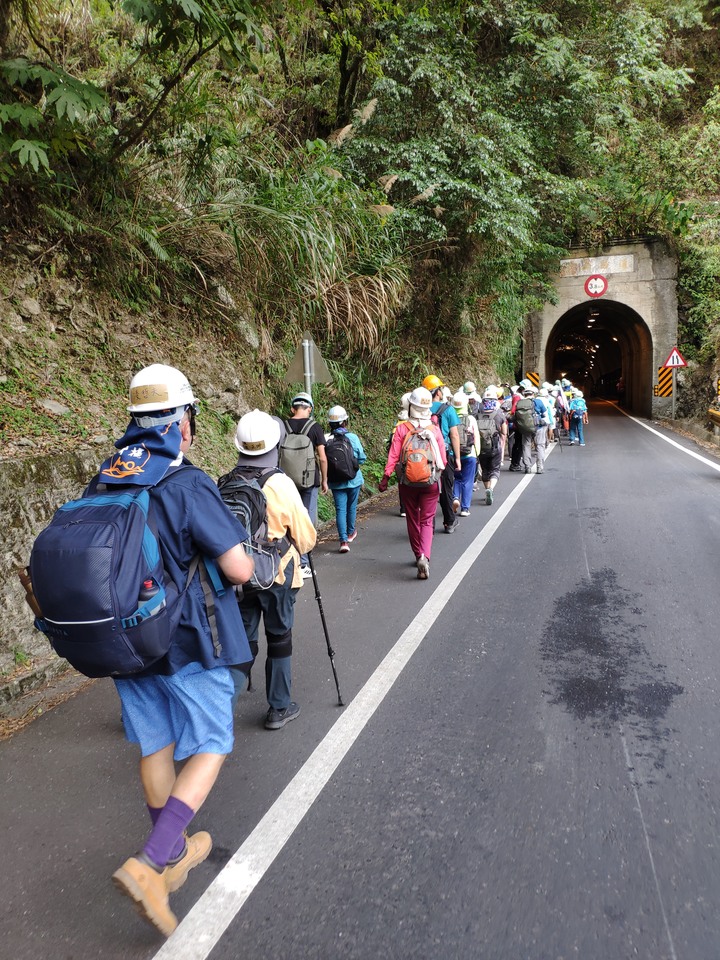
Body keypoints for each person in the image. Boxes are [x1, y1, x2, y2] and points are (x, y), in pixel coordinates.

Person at [103, 364, 255, 938]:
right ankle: (150, 862)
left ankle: (168, 859)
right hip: (188, 636)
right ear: (184, 422)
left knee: (156, 741)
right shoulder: (188, 483)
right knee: (214, 742)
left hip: (123, 639)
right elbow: (237, 567)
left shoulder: (108, 479)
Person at [222, 410, 317, 730]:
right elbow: (306, 540)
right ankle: (278, 707)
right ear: (275, 444)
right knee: (279, 639)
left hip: (237, 576)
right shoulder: (280, 484)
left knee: (241, 641)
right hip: (277, 577)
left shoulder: (226, 482)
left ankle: (221, 709)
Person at [378, 386, 447, 580]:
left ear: (410, 406)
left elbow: (393, 456)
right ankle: (425, 555)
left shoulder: (402, 429)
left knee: (412, 519)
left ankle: (418, 555)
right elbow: (443, 458)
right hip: (430, 482)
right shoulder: (434, 429)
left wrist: (385, 478)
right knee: (426, 520)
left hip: (407, 483)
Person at [282, 391, 328, 578]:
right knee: (307, 520)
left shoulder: (283, 426)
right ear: (309, 408)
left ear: (293, 408)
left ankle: (287, 562)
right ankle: (303, 563)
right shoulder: (314, 427)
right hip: (309, 480)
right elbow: (323, 458)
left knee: (288, 520)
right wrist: (325, 479)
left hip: (285, 481)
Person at [422, 374, 462, 533]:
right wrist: (458, 458)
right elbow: (454, 435)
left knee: (428, 489)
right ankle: (449, 522)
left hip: (425, 454)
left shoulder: (420, 408)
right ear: (438, 391)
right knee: (446, 488)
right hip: (444, 453)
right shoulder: (448, 409)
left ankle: (428, 525)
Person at [326, 404, 367, 552]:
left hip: (335, 481)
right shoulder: (352, 437)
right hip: (353, 479)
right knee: (351, 507)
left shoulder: (327, 439)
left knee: (340, 509)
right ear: (345, 422)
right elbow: (361, 458)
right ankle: (351, 532)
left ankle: (343, 541)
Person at [476, 386, 507, 505]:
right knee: (494, 469)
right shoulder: (499, 413)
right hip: (495, 446)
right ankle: (491, 489)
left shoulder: (477, 413)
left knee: (485, 470)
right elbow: (504, 432)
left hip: (481, 447)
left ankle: (487, 489)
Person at [451, 390, 478, 516]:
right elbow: (476, 437)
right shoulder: (471, 419)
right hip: (469, 454)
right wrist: (477, 453)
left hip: (454, 454)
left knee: (457, 478)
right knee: (468, 481)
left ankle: (455, 497)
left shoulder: (450, 416)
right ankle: (465, 508)